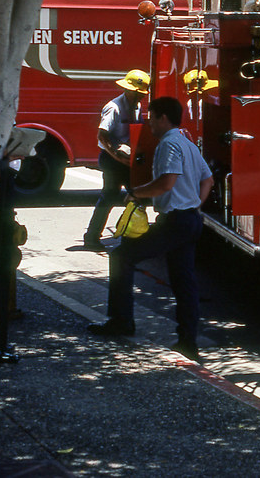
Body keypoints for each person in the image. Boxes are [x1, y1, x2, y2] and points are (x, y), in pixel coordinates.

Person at [88, 96, 213, 362]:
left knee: (122, 256)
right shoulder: (187, 143)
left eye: (151, 117)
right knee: (184, 281)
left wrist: (136, 193)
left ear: (163, 118)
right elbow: (208, 179)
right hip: (190, 219)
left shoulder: (168, 144)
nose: (148, 122)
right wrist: (194, 205)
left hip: (176, 221)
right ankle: (188, 341)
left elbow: (166, 183)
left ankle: (121, 321)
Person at [82, 69, 150, 251]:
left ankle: (132, 234)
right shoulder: (114, 108)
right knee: (109, 197)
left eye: (141, 94)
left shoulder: (136, 107)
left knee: (137, 195)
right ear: (128, 90)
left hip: (126, 161)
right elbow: (102, 136)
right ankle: (91, 238)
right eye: (137, 93)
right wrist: (118, 158)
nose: (140, 97)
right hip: (112, 160)